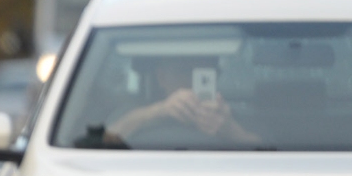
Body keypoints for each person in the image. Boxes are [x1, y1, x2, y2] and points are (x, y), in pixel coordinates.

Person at [107, 55, 258, 146]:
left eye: (202, 73)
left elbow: (270, 156)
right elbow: (100, 143)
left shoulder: (231, 118)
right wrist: (158, 111)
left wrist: (233, 132)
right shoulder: (135, 115)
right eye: (184, 70)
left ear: (215, 76)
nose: (192, 80)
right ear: (162, 77)